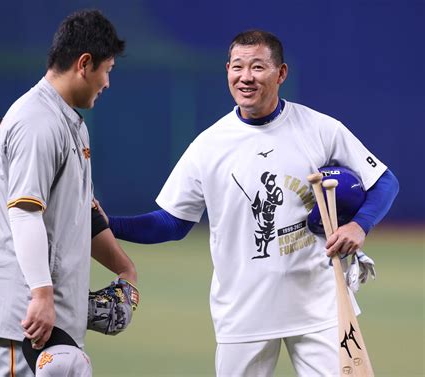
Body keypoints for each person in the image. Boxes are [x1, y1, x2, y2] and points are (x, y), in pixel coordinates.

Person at [105, 30, 399, 376]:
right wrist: (106, 224)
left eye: (258, 67)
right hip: (243, 314)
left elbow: (384, 182)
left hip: (321, 306)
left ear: (281, 73)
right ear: (228, 70)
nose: (246, 77)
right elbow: (172, 223)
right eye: (238, 67)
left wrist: (358, 225)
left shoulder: (320, 128)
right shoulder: (208, 145)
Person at [0, 10, 137, 377]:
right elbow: (24, 213)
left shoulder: (69, 122)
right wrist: (41, 294)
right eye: (107, 69)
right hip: (24, 315)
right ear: (84, 64)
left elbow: (83, 214)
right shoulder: (37, 122)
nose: (107, 82)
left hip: (48, 312)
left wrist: (125, 269)